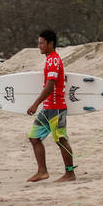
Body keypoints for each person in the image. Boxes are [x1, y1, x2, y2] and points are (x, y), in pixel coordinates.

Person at [26, 29, 77, 182]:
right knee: (34, 137)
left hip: (56, 108)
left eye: (42, 43)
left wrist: (35, 104)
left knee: (61, 139)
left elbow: (50, 86)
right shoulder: (49, 60)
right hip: (48, 108)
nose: (39, 46)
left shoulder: (54, 60)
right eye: (39, 43)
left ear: (50, 43)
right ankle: (42, 171)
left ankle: (70, 173)